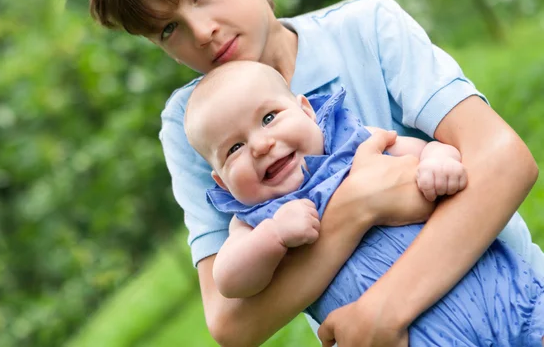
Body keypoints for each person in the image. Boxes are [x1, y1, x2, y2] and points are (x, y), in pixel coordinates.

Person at [86, 0, 544, 345]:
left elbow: (504, 163)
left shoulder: (365, 28)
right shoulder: (192, 126)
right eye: (169, 29)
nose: (202, 32)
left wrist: (385, 308)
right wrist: (358, 207)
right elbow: (231, 322)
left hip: (518, 303)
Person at [184, 60, 544, 346]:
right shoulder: (251, 221)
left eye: (268, 118)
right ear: (221, 182)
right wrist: (273, 236)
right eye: (234, 149)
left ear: (307, 112)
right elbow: (230, 281)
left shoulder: (358, 142)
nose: (261, 145)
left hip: (503, 295)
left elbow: (424, 150)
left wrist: (437, 160)